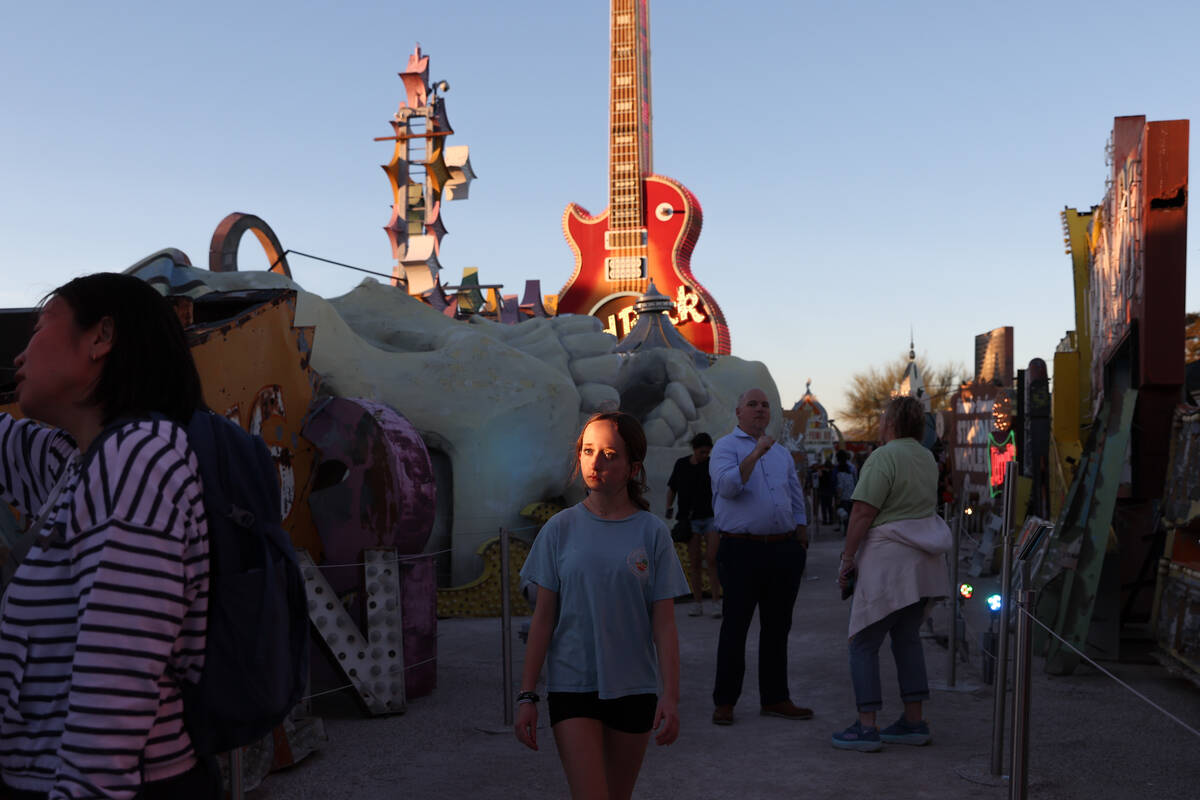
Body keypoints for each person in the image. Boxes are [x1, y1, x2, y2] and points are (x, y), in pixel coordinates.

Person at [0, 273, 219, 797]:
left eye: (39, 328)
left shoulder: (137, 458)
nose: (20, 356)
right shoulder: (79, 464)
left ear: (101, 337)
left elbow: (115, 681)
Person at [515, 412, 688, 800]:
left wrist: (671, 697)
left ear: (633, 467)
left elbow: (664, 625)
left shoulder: (652, 532)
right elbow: (543, 620)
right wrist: (527, 696)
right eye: (588, 451)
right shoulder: (559, 530)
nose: (596, 463)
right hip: (572, 686)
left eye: (610, 454)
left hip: (634, 689)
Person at [832, 396, 952, 752]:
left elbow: (862, 514)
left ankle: (866, 726)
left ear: (891, 423)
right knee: (907, 638)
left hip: (888, 562)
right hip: (923, 563)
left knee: (863, 642)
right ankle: (914, 721)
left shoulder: (883, 457)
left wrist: (847, 557)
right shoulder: (926, 458)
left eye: (883, 417)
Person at [709, 388, 811, 726]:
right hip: (741, 550)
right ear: (738, 412)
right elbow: (727, 488)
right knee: (735, 627)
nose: (760, 409)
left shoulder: (781, 454)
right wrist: (754, 454)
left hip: (782, 550)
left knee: (777, 627)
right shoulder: (725, 447)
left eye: (765, 405)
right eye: (752, 404)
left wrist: (800, 533)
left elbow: (794, 496)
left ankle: (776, 697)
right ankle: (725, 702)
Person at [666, 432, 722, 617]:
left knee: (712, 558)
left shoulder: (711, 465)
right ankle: (698, 602)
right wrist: (669, 507)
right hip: (690, 520)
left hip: (710, 517)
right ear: (695, 450)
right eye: (702, 452)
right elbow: (672, 487)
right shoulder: (682, 465)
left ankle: (716, 601)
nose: (705, 456)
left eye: (707, 452)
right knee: (695, 562)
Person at [817, 457, 836, 525]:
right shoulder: (832, 472)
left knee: (823, 507)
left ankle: (825, 520)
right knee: (830, 507)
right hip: (830, 492)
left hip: (823, 492)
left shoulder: (821, 472)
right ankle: (831, 520)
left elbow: (819, 480)